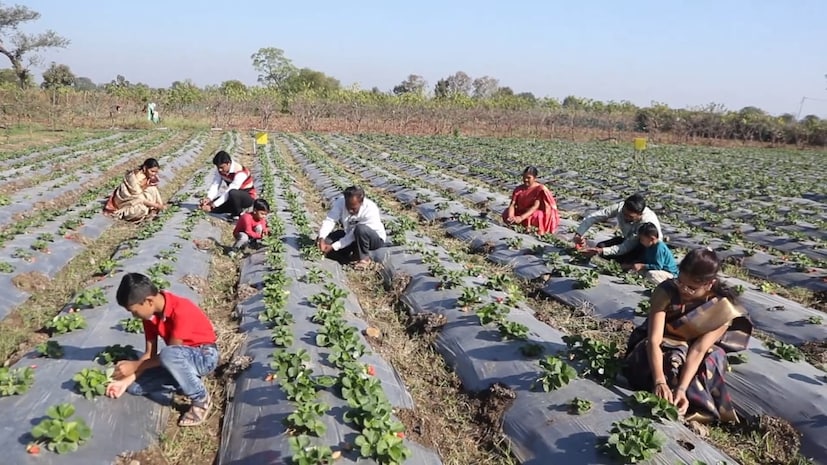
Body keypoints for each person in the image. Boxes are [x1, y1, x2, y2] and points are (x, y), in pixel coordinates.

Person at [623, 248, 752, 423]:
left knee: (714, 357)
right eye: (680, 282)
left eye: (692, 288)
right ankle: (664, 389)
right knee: (673, 356)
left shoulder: (722, 307)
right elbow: (654, 340)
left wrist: (682, 388)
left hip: (693, 350)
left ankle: (688, 400)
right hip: (660, 344)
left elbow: (699, 349)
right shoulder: (666, 291)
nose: (683, 289)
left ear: (709, 284)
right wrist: (660, 381)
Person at [106, 273, 219, 427]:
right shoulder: (150, 317)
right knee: (135, 388)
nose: (134, 316)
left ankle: (201, 399)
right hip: (176, 360)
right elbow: (149, 355)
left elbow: (171, 353)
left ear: (149, 301)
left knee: (168, 354)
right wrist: (125, 382)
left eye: (134, 311)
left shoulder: (181, 309)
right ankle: (185, 380)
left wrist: (133, 366)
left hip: (204, 356)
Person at [573, 193, 661, 263]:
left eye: (630, 217)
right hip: (628, 240)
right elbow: (595, 217)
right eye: (624, 214)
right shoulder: (620, 208)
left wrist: (601, 251)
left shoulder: (646, 223)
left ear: (640, 215)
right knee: (601, 247)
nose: (626, 218)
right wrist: (579, 234)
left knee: (622, 258)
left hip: (646, 248)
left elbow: (627, 246)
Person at [317, 186, 386, 269]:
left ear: (361, 202)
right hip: (350, 235)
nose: (350, 211)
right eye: (348, 207)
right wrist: (322, 237)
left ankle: (364, 259)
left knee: (361, 229)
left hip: (373, 239)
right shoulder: (340, 202)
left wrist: (334, 246)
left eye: (353, 208)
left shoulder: (370, 209)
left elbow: (353, 234)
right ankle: (348, 258)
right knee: (324, 243)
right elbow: (330, 220)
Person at [103, 158, 166, 222]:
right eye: (152, 171)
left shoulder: (146, 176)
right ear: (144, 168)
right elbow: (139, 198)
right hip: (126, 203)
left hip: (138, 199)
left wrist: (160, 205)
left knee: (152, 189)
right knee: (141, 210)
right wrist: (157, 205)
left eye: (156, 172)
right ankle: (149, 210)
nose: (154, 174)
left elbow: (151, 190)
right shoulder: (135, 179)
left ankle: (153, 210)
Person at [502, 166, 560, 234]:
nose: (525, 179)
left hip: (531, 214)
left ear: (535, 178)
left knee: (538, 215)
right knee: (506, 212)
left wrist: (521, 217)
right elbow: (512, 204)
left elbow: (535, 207)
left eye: (528, 178)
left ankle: (534, 230)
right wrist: (511, 217)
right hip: (520, 211)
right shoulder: (518, 189)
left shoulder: (539, 189)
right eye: (524, 177)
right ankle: (513, 224)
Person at [199, 151, 257, 219]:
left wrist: (214, 204)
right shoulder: (221, 170)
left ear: (228, 163)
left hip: (247, 197)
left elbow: (230, 190)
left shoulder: (240, 172)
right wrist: (209, 198)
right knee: (210, 208)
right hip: (231, 197)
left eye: (222, 167)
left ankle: (238, 214)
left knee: (233, 193)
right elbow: (215, 184)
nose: (220, 170)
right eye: (218, 167)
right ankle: (233, 209)